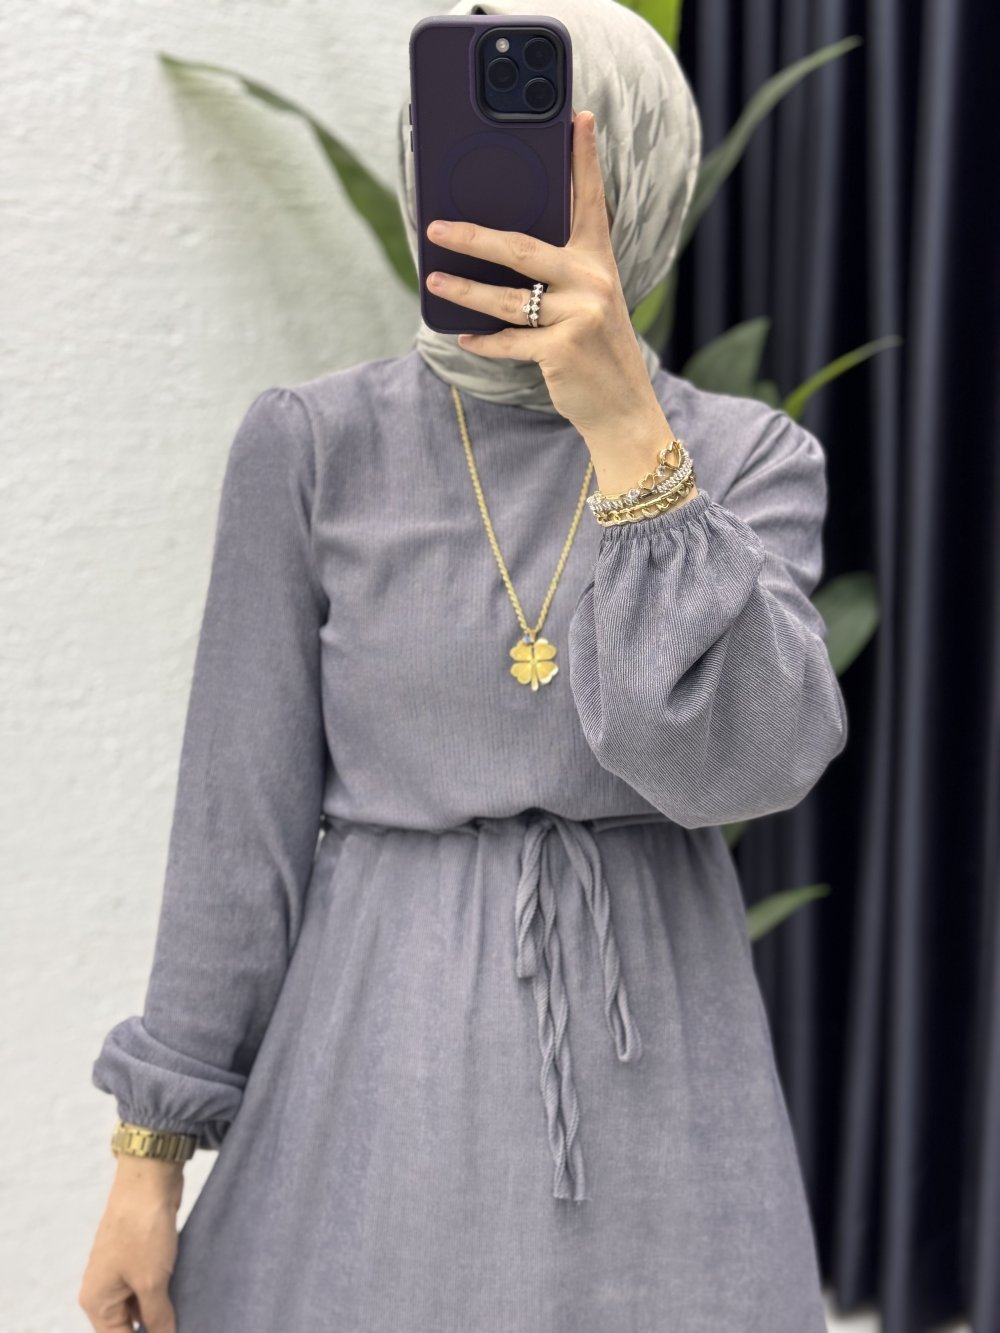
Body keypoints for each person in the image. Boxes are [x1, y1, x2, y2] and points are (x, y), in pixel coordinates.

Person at [79, 0, 848, 1329]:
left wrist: (629, 435)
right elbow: (235, 829)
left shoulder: (746, 462)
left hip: (664, 1081)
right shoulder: (317, 446)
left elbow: (745, 764)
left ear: (641, 178)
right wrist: (148, 1161)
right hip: (373, 1067)